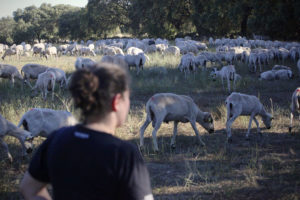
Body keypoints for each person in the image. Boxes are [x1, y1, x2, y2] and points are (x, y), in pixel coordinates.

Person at [20, 63, 153, 200]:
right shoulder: (124, 154)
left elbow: (28, 188)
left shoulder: (56, 139)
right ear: (116, 101)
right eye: (128, 97)